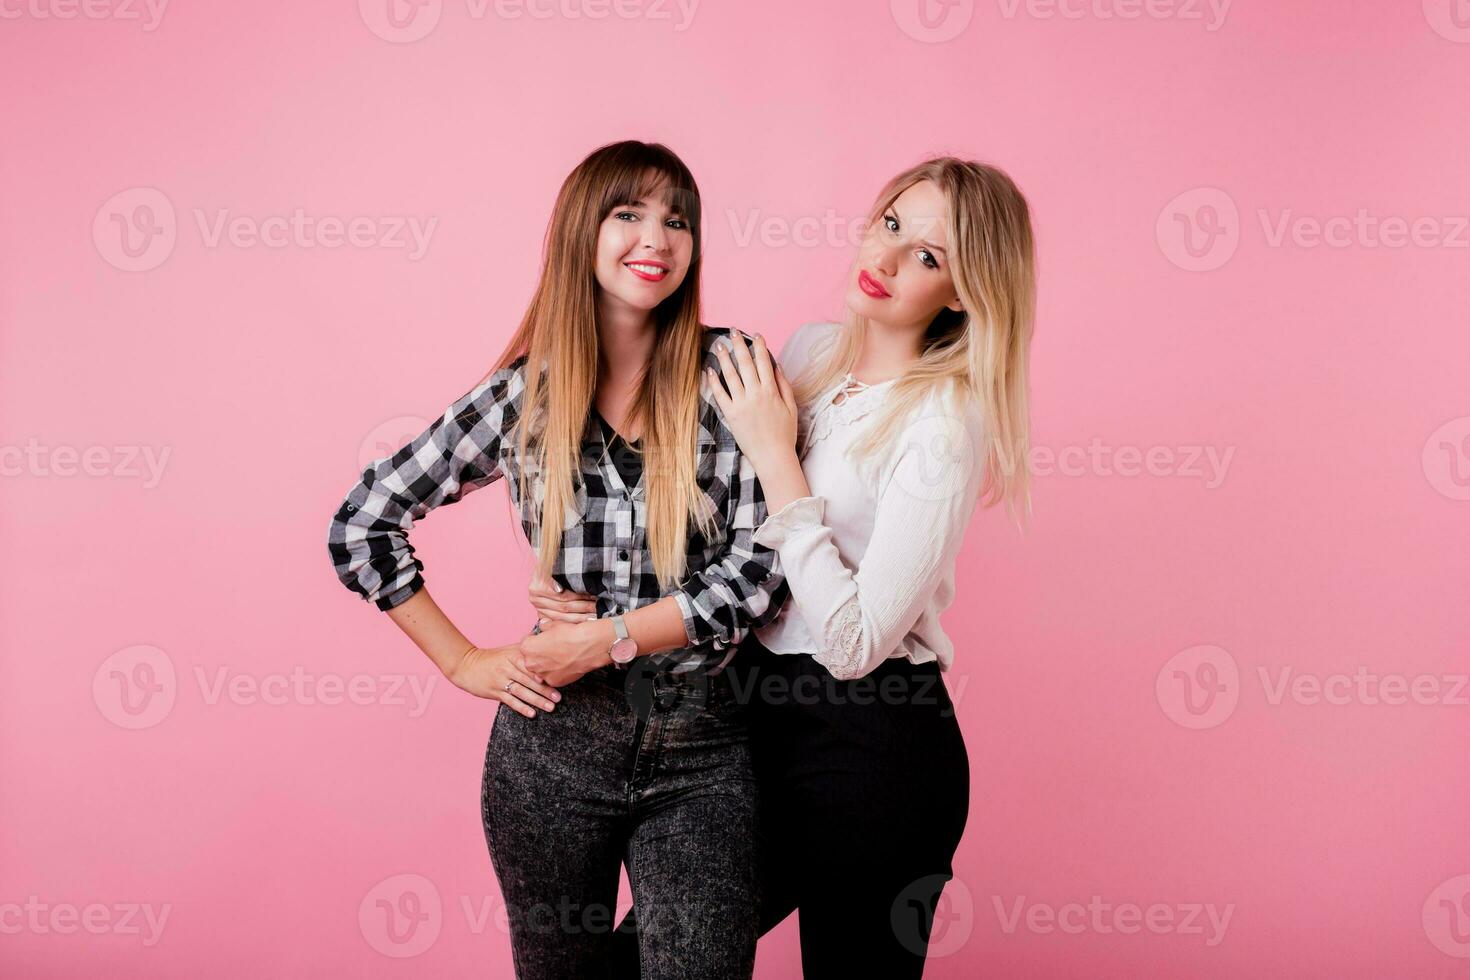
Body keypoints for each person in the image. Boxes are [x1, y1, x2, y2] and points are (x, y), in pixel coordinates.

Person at [536, 156, 1035, 978]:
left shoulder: (944, 422)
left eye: (929, 257)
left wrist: (778, 454)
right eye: (891, 225)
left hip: (874, 739)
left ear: (965, 293)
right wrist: (573, 575)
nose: (884, 261)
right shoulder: (806, 356)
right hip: (751, 718)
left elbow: (854, 642)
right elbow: (707, 515)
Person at [328, 140, 787, 980]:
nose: (658, 238)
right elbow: (363, 524)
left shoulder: (736, 372)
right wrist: (464, 660)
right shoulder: (521, 397)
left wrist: (610, 636)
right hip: (552, 745)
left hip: (704, 745)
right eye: (629, 214)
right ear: (583, 231)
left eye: (677, 220)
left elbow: (762, 572)